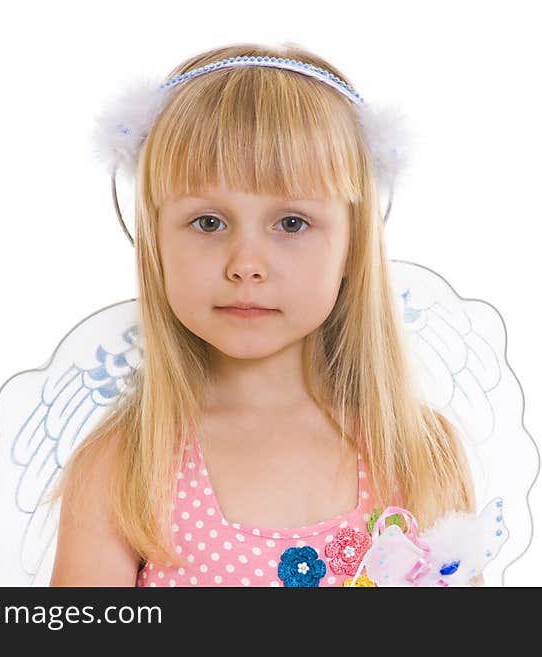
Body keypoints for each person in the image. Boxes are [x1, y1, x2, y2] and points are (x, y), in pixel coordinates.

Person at [47, 42, 481, 587]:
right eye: (208, 222)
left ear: (352, 244)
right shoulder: (124, 469)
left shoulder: (419, 454)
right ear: (155, 241)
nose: (246, 264)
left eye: (292, 223)